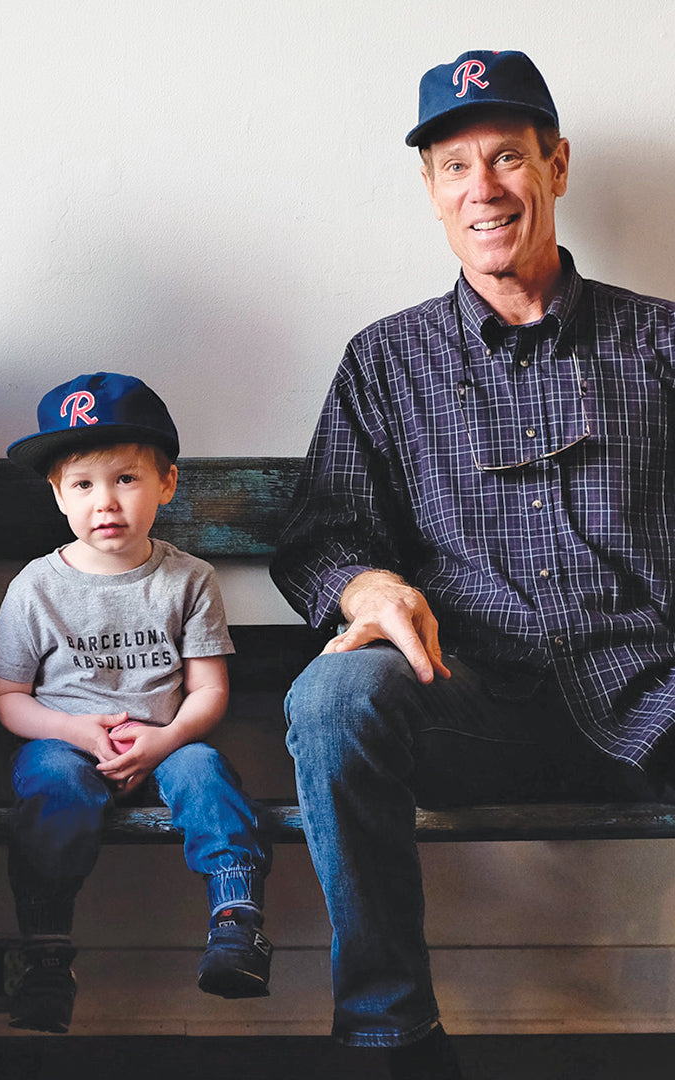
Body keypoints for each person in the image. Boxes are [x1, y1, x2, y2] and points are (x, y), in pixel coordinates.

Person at [271, 49, 675, 1080]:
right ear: (431, 191)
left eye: (507, 158)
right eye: (455, 167)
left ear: (557, 165)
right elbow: (323, 535)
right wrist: (370, 586)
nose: (483, 187)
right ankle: (388, 1037)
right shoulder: (384, 359)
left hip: (650, 694)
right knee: (332, 694)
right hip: (467, 701)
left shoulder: (658, 343)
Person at [0, 371, 273, 1033]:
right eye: (82, 485)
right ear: (57, 494)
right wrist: (78, 734)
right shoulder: (36, 586)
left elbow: (209, 690)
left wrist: (165, 740)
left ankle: (237, 925)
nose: (104, 502)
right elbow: (8, 697)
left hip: (165, 743)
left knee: (207, 773)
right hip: (67, 744)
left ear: (166, 483)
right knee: (53, 784)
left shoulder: (188, 579)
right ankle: (47, 953)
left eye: (126, 479)